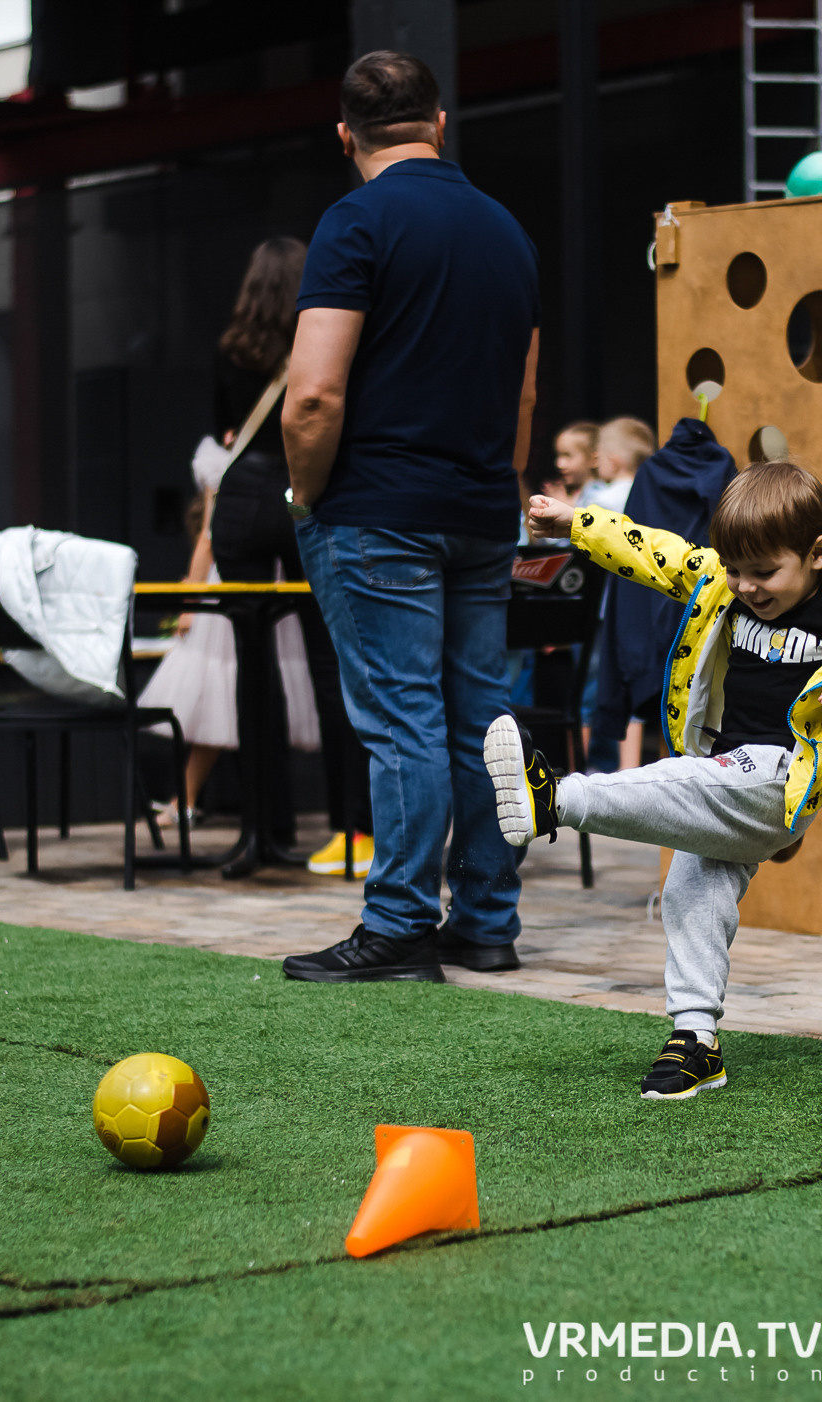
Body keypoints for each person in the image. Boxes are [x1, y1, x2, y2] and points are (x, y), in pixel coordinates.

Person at [491, 461, 822, 1098]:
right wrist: (576, 524)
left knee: (685, 782)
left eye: (764, 573)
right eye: (735, 569)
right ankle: (696, 1042)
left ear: (818, 553)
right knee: (694, 892)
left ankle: (557, 797)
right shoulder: (730, 580)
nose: (746, 587)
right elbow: (655, 553)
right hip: (728, 767)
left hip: (783, 775)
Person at [278, 50, 540, 983]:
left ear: (346, 135)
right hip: (480, 509)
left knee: (402, 722)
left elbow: (311, 396)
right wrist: (496, 488)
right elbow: (521, 393)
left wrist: (306, 493)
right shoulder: (507, 232)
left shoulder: (355, 221)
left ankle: (396, 925)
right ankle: (486, 923)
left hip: (378, 511)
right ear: (439, 122)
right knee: (481, 720)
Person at [207, 236, 371, 867]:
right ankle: (352, 829)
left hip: (242, 501)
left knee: (254, 665)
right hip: (308, 492)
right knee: (332, 667)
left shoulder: (230, 348)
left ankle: (262, 831)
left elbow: (223, 430)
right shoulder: (325, 337)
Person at [137, 436, 323, 838]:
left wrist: (190, 601)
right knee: (234, 695)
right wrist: (190, 601)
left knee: (230, 694)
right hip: (262, 583)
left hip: (252, 585)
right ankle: (196, 802)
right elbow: (208, 533)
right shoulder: (249, 458)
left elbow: (208, 535)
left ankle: (193, 803)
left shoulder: (233, 461)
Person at [583, 415, 737, 773]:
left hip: (648, 593)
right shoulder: (722, 468)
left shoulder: (650, 473)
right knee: (699, 697)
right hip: (704, 597)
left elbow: (630, 538)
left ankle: (628, 781)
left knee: (642, 705)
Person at [580, 416, 649, 515]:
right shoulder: (647, 495)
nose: (596, 465)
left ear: (613, 463)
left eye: (598, 458)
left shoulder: (602, 502)